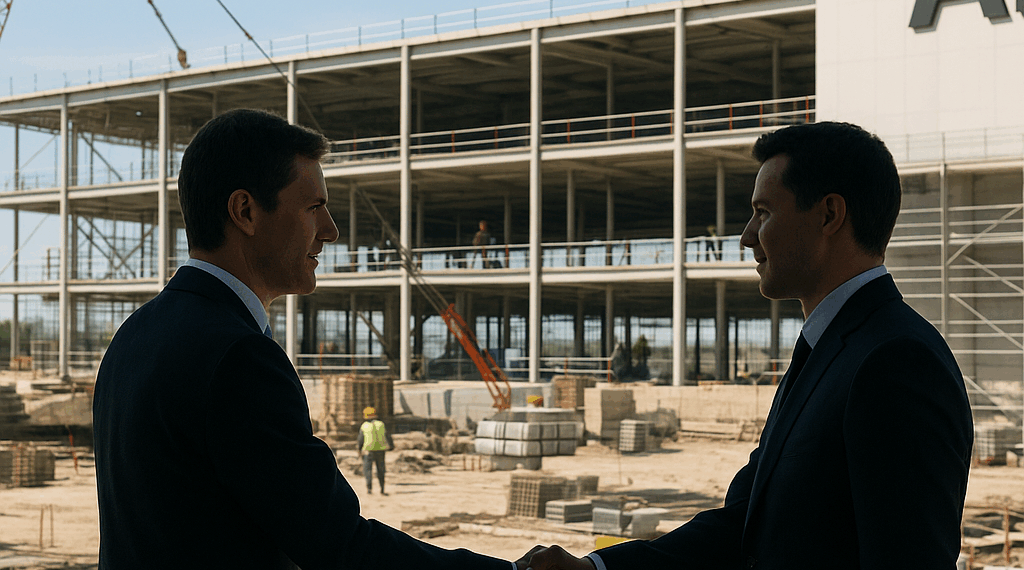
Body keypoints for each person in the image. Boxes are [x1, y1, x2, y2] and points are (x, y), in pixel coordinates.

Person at [519, 121, 973, 569]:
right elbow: (743, 526)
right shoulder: (829, 350)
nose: (747, 236)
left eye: (764, 212)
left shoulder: (895, 361)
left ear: (829, 215)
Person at [93, 109, 514, 570]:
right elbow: (338, 546)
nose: (330, 231)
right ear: (246, 211)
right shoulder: (239, 357)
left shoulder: (134, 336)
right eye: (314, 208)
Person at [358, 406, 393, 495]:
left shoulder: (364, 426)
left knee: (367, 470)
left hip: (368, 450)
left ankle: (369, 489)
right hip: (381, 450)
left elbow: (360, 439)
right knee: (381, 470)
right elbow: (388, 436)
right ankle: (382, 489)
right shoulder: (381, 424)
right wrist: (391, 446)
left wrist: (359, 449)